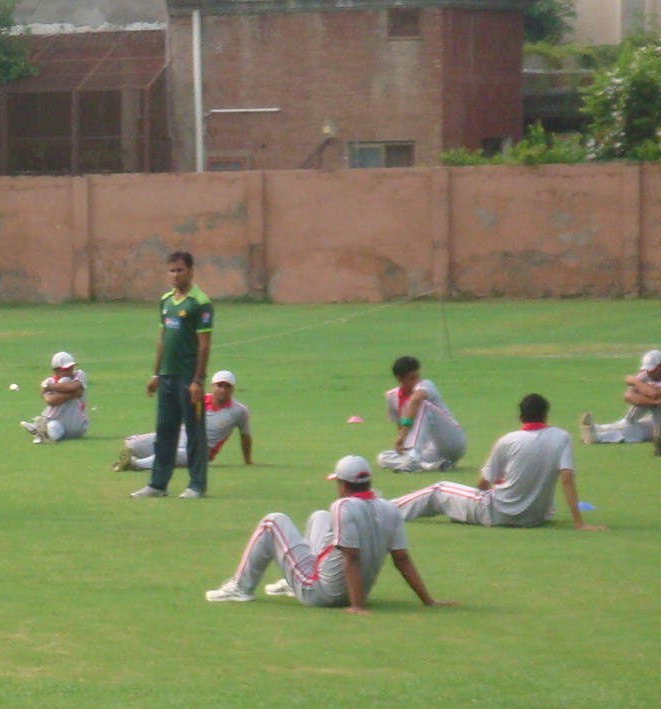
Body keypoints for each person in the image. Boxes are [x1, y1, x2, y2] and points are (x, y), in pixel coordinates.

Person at [206, 455, 452, 613]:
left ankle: (240, 588)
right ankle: (291, 583)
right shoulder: (389, 509)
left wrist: (356, 606)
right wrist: (427, 600)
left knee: (272, 522)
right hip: (355, 589)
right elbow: (402, 560)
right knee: (319, 517)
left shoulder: (343, 506)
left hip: (323, 594)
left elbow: (351, 558)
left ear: (343, 485)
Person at [394, 394, 605, 531]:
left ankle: (384, 509)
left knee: (438, 489)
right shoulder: (561, 437)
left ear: (520, 416)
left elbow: (482, 485)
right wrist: (579, 523)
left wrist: (500, 483)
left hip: (498, 512)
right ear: (546, 416)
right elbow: (566, 478)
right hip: (537, 515)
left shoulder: (509, 440)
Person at [132, 251, 213, 498]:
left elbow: (204, 344)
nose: (175, 275)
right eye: (171, 270)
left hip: (188, 377)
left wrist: (198, 380)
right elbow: (162, 339)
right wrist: (155, 374)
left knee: (194, 433)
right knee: (164, 432)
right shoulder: (166, 301)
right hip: (167, 375)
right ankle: (158, 484)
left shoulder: (200, 302)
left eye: (180, 270)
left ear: (191, 271)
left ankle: (196, 485)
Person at [116, 370, 252, 472]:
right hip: (178, 437)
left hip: (200, 451)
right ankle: (137, 458)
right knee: (132, 445)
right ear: (212, 386)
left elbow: (245, 436)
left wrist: (248, 461)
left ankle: (136, 464)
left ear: (232, 389)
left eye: (227, 386)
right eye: (219, 385)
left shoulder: (238, 411)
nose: (222, 390)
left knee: (169, 454)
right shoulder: (199, 399)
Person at [377, 355, 466, 472]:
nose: (417, 381)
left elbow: (415, 401)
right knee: (382, 458)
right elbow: (399, 426)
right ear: (400, 379)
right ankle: (433, 465)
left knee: (423, 405)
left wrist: (403, 434)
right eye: (412, 378)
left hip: (452, 440)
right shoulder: (392, 397)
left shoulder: (427, 385)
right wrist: (401, 445)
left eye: (418, 376)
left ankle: (413, 459)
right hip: (429, 450)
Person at [579, 348, 661, 449]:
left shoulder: (640, 380)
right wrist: (654, 402)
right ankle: (595, 430)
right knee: (633, 426)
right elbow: (628, 396)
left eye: (652, 370)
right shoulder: (646, 375)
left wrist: (635, 381)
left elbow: (654, 393)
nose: (649, 373)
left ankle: (598, 436)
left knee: (637, 433)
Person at [23, 352, 89, 443]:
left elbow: (72, 387)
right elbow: (50, 400)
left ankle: (41, 423)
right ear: (56, 371)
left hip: (76, 423)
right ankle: (41, 435)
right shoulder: (49, 381)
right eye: (66, 369)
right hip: (59, 423)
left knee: (65, 381)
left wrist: (48, 387)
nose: (70, 371)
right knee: (53, 426)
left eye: (71, 368)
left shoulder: (79, 374)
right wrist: (73, 394)